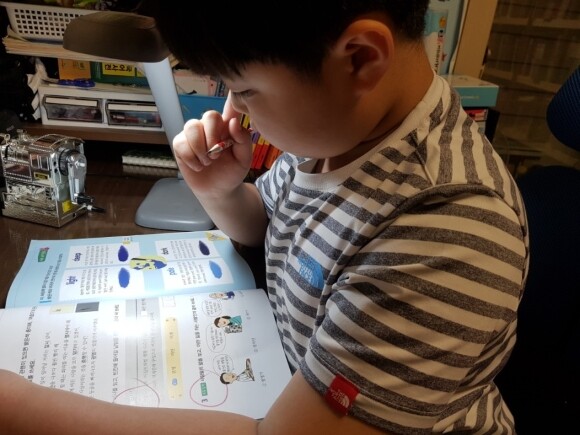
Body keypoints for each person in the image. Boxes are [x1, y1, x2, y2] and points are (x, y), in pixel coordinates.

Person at [0, 1, 529, 433]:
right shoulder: (336, 134)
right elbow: (267, 223)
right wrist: (220, 192)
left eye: (246, 89)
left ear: (360, 59)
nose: (235, 111)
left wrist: (20, 409)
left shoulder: (449, 228)